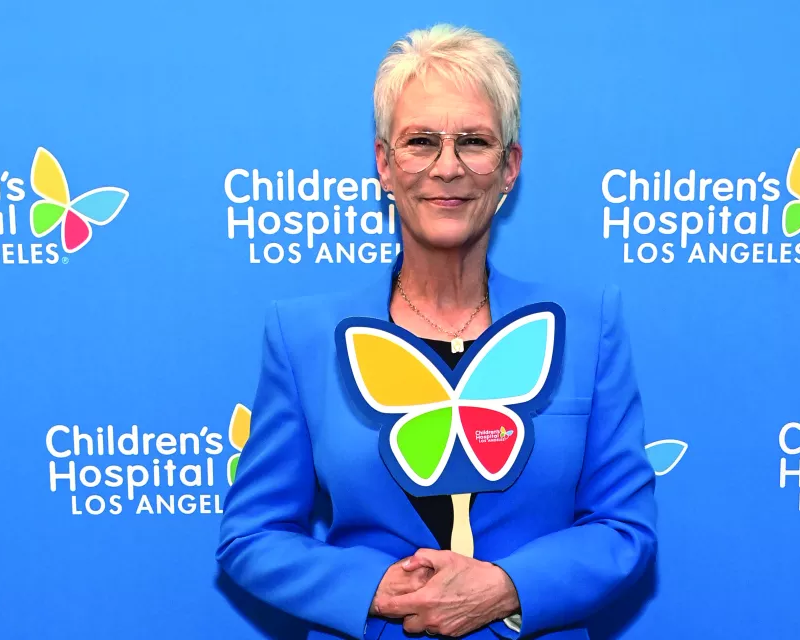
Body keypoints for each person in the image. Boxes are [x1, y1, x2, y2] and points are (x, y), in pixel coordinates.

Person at [216, 24, 657, 640]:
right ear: (384, 164)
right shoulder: (303, 336)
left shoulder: (587, 328)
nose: (447, 167)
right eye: (421, 141)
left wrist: (508, 588)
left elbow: (624, 530)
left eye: (474, 142)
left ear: (509, 167)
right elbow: (251, 535)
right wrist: (370, 590)